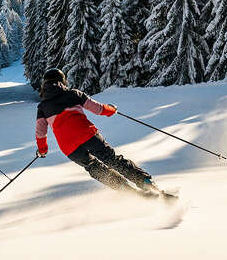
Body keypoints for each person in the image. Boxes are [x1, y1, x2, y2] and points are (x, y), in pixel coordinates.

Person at [35, 68, 159, 196]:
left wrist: (43, 150)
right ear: (62, 81)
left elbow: (40, 133)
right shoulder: (74, 94)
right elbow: (99, 109)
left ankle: (128, 190)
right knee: (112, 160)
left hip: (69, 147)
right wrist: (111, 109)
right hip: (87, 134)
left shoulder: (42, 107)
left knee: (93, 167)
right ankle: (146, 183)